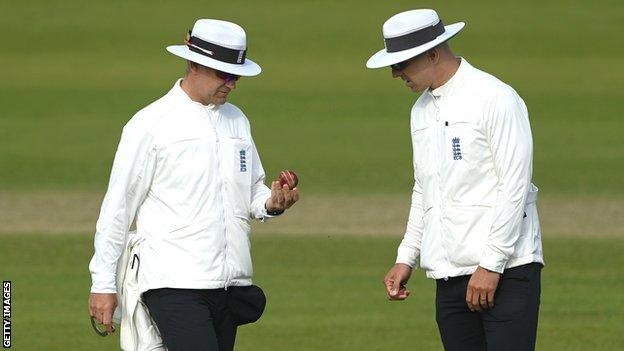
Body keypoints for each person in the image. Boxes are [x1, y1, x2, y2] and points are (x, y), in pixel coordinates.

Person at [88, 19, 299, 350]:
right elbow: (117, 208)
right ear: (194, 63)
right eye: (223, 73)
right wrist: (102, 284)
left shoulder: (237, 121)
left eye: (236, 74)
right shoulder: (149, 125)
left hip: (229, 286)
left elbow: (252, 190)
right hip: (173, 282)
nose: (232, 83)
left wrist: (271, 203)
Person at [366, 9, 544, 351]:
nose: (395, 73)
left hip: (507, 271)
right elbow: (424, 188)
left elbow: (514, 187)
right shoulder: (420, 111)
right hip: (449, 276)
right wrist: (407, 256)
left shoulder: (496, 98)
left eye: (401, 63)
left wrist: (491, 266)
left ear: (434, 53)